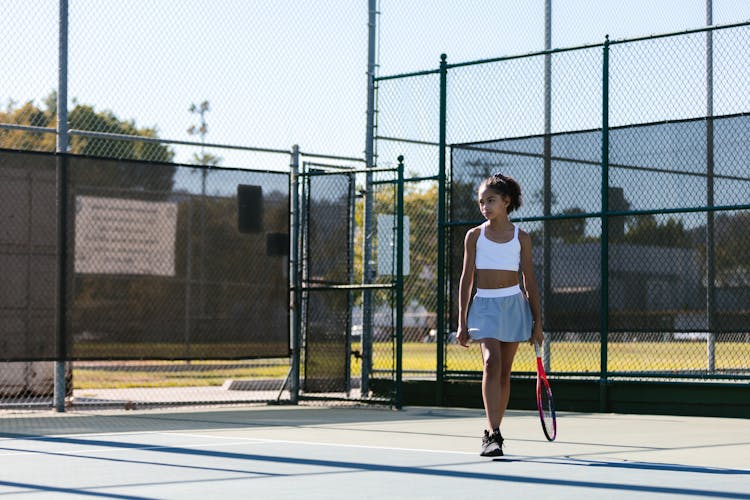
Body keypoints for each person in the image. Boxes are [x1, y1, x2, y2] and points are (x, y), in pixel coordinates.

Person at [456, 172, 543, 457]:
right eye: (481, 201)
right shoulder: (475, 236)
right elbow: (466, 279)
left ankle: (496, 432)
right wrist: (461, 322)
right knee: (491, 362)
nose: (485, 206)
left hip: (514, 307)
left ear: (506, 201)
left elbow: (529, 281)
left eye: (490, 200)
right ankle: (492, 433)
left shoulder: (522, 238)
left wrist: (537, 323)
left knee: (504, 373)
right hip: (484, 308)